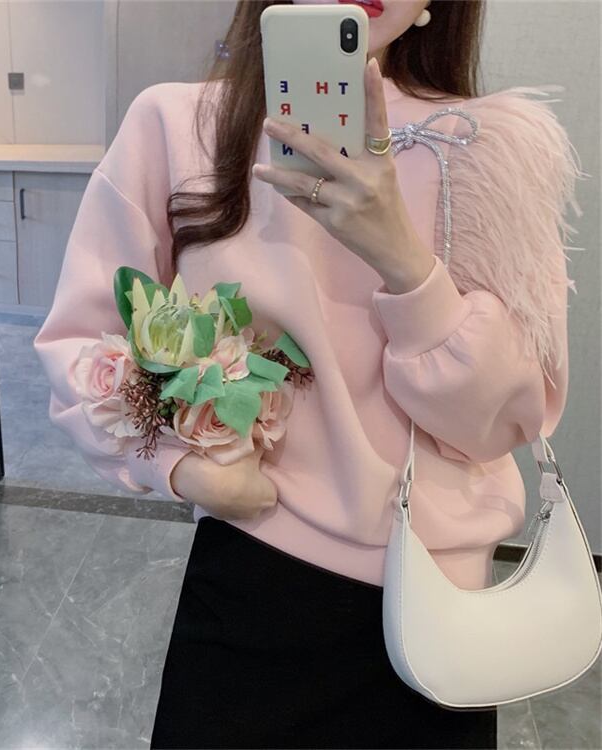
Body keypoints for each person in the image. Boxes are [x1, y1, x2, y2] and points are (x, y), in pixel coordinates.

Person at [33, 0, 583, 747]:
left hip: (439, 605)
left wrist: (404, 261)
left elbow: (501, 424)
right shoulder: (178, 124)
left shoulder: (484, 146)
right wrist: (182, 469)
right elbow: (81, 342)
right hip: (254, 569)